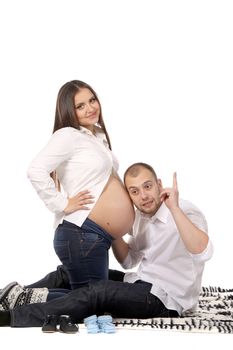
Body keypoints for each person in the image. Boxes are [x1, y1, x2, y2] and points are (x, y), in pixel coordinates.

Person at [0, 162, 213, 327]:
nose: (144, 196)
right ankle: (11, 296)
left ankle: (10, 317)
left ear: (159, 184)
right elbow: (129, 261)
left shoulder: (185, 210)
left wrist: (174, 208)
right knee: (67, 273)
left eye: (147, 187)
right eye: (135, 191)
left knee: (98, 291)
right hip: (141, 281)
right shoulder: (140, 219)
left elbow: (202, 250)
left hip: (168, 300)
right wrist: (112, 227)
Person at [26, 80, 135, 289]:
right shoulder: (68, 135)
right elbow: (35, 170)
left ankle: (29, 292)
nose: (90, 108)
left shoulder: (97, 136)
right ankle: (19, 301)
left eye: (92, 100)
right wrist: (62, 204)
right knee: (92, 303)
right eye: (80, 106)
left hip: (95, 236)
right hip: (82, 233)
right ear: (69, 111)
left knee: (94, 298)